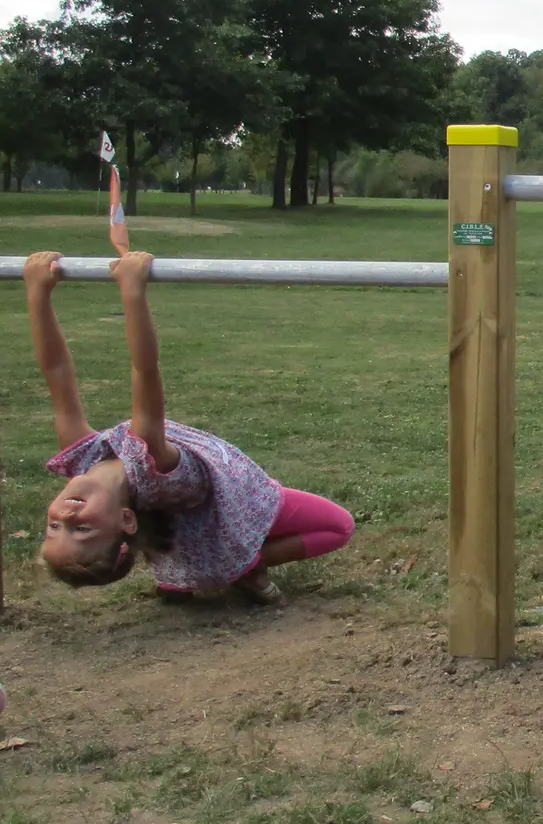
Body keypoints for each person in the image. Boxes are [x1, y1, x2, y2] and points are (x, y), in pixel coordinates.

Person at [29, 250, 355, 603]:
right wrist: (132, 292)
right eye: (82, 528)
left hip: (198, 534)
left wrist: (37, 294)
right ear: (125, 519)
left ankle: (190, 576)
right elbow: (144, 371)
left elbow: (57, 372)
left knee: (202, 555)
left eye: (55, 527)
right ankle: (245, 566)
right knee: (339, 526)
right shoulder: (150, 459)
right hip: (241, 502)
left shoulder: (82, 457)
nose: (66, 514)